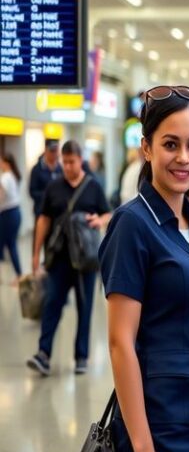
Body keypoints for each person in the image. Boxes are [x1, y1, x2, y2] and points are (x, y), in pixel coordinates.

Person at [99, 85, 189, 452]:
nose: (184, 158)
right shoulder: (132, 225)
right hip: (158, 426)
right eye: (170, 144)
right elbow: (121, 342)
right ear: (147, 148)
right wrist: (143, 451)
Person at [26, 140, 111, 376]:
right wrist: (36, 253)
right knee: (52, 303)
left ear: (80, 159)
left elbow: (107, 213)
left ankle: (81, 356)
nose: (68, 167)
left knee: (85, 309)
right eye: (64, 162)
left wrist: (100, 220)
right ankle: (43, 353)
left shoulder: (92, 186)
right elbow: (43, 220)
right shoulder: (54, 187)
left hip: (86, 261)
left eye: (72, 162)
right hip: (59, 260)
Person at [28, 139, 62, 245]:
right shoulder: (37, 169)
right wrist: (48, 196)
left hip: (57, 214)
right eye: (52, 151)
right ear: (46, 150)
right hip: (41, 212)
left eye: (56, 151)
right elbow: (32, 191)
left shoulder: (60, 169)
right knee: (38, 241)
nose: (54, 154)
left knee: (54, 243)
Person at [0, 153, 23, 284]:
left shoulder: (5, 178)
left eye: (1, 161)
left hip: (8, 215)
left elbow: (1, 197)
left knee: (9, 244)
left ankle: (19, 275)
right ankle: (18, 274)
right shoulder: (13, 175)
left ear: (6, 163)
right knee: (10, 244)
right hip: (15, 213)